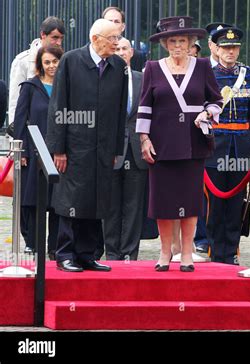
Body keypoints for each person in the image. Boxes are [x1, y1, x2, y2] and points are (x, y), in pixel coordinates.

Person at [137, 16, 222, 272]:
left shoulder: (203, 66)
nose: (177, 45)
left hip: (192, 144)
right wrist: (144, 138)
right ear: (164, 43)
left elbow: (216, 101)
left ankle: (186, 254)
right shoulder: (152, 68)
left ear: (191, 42)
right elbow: (144, 106)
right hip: (161, 145)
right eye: (172, 40)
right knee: (163, 202)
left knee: (190, 201)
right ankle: (165, 253)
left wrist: (207, 114)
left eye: (182, 41)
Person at [46, 19, 128, 272]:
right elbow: (58, 106)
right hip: (74, 146)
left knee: (97, 199)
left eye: (118, 38)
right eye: (112, 38)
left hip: (104, 147)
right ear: (95, 39)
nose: (117, 44)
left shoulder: (118, 67)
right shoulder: (71, 61)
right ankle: (65, 254)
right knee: (72, 200)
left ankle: (86, 254)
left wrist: (116, 150)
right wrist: (58, 149)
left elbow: (119, 113)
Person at [205, 27, 250, 264]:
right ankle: (215, 251)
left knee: (236, 204)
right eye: (226, 48)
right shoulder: (205, 73)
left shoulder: (249, 74)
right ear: (216, 49)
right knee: (215, 203)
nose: (230, 52)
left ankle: (231, 252)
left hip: (241, 146)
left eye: (234, 47)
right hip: (214, 147)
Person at [13, 46, 63, 258]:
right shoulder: (30, 87)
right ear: (40, 65)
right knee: (33, 199)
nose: (51, 66)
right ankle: (32, 243)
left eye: (55, 61)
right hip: (34, 152)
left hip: (59, 151)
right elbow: (20, 119)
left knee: (57, 201)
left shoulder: (66, 85)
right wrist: (22, 150)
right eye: (47, 62)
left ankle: (55, 247)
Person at [102, 37, 147, 261]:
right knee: (110, 205)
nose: (120, 52)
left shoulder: (143, 79)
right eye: (116, 48)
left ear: (131, 52)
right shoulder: (103, 78)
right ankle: (112, 253)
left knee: (134, 205)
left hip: (137, 150)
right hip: (111, 150)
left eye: (124, 49)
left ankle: (130, 252)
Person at [9, 16, 65, 124]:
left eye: (61, 38)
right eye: (55, 37)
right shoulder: (23, 61)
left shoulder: (64, 60)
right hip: (32, 127)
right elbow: (14, 102)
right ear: (43, 35)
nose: (59, 42)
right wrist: (15, 136)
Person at [102, 6, 146, 72]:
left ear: (123, 27)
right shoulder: (93, 52)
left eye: (116, 21)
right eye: (109, 21)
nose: (113, 25)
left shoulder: (137, 57)